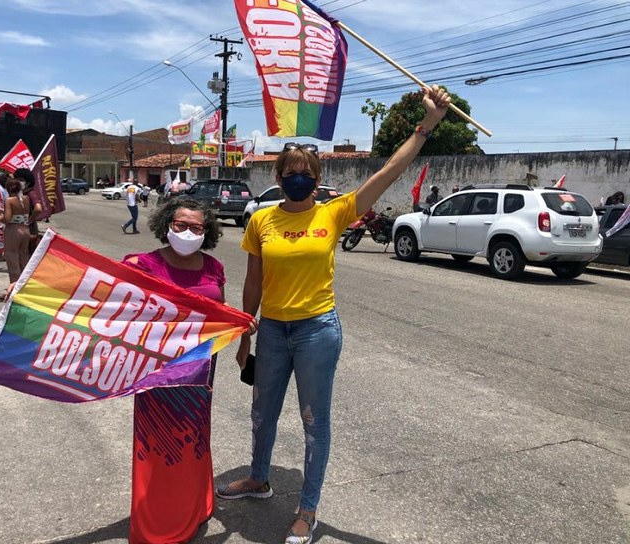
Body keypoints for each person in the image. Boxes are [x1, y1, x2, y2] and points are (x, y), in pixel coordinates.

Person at [216, 85, 451, 544]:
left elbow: (388, 171)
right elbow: (251, 283)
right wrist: (244, 336)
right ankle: (259, 479)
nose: (298, 177)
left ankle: (307, 509)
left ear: (316, 176)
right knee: (262, 412)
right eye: (290, 171)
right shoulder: (261, 220)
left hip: (316, 332)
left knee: (312, 420)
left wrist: (426, 127)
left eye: (306, 171)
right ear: (279, 177)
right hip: (272, 331)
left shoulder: (335, 213)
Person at [121, 197, 229, 543]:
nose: (187, 232)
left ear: (206, 231)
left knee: (193, 437)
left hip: (199, 370)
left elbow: (220, 310)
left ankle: (194, 506)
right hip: (157, 372)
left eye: (196, 227)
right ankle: (159, 520)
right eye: (180, 225)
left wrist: (240, 325)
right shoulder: (142, 264)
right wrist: (30, 288)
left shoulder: (213, 267)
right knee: (158, 444)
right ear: (166, 224)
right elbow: (93, 294)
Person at [0, 176, 30, 287]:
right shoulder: (26, 198)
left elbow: (7, 219)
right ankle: (24, 285)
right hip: (25, 229)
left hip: (13, 230)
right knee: (23, 257)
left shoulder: (9, 200)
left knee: (12, 258)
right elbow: (19, 214)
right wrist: (4, 212)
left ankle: (14, 286)